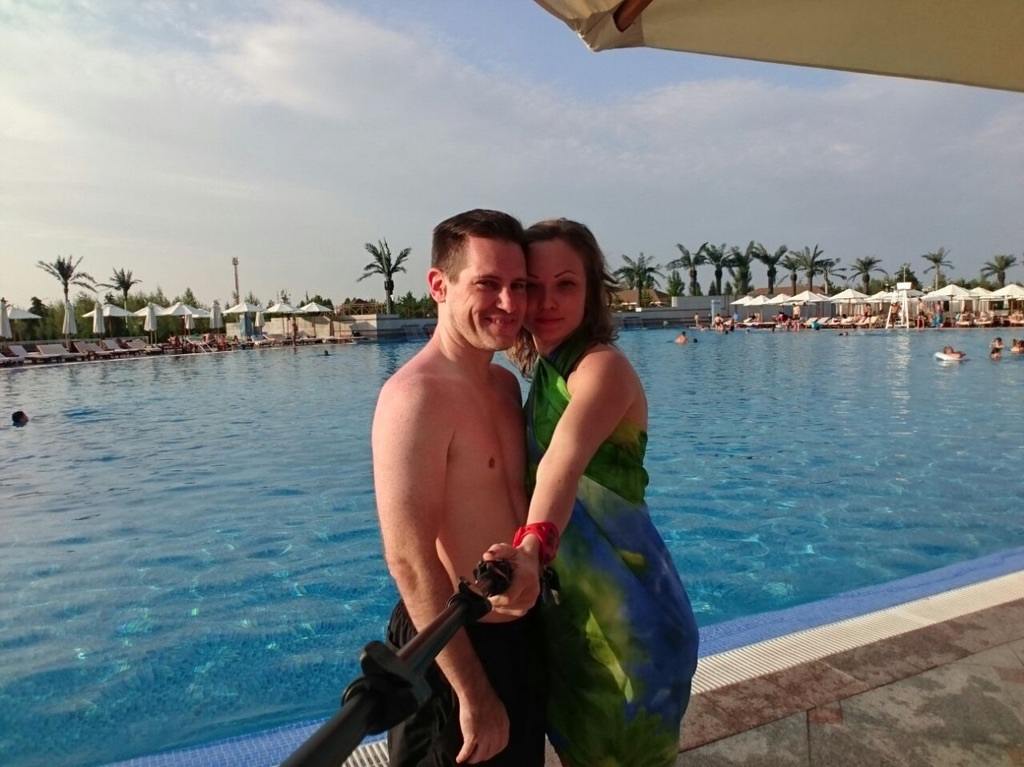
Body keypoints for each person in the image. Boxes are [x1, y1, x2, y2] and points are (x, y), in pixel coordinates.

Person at [491, 219, 699, 767]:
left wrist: (531, 546)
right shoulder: (546, 373)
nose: (547, 302)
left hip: (631, 624)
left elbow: (562, 462)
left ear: (591, 293)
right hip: (574, 623)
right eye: (533, 286)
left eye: (566, 285)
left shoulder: (601, 369)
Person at [371, 209, 545, 767]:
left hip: (517, 639)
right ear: (439, 286)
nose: (510, 303)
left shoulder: (504, 385)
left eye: (519, 285)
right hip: (449, 649)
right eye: (488, 284)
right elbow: (408, 559)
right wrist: (473, 693)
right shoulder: (415, 397)